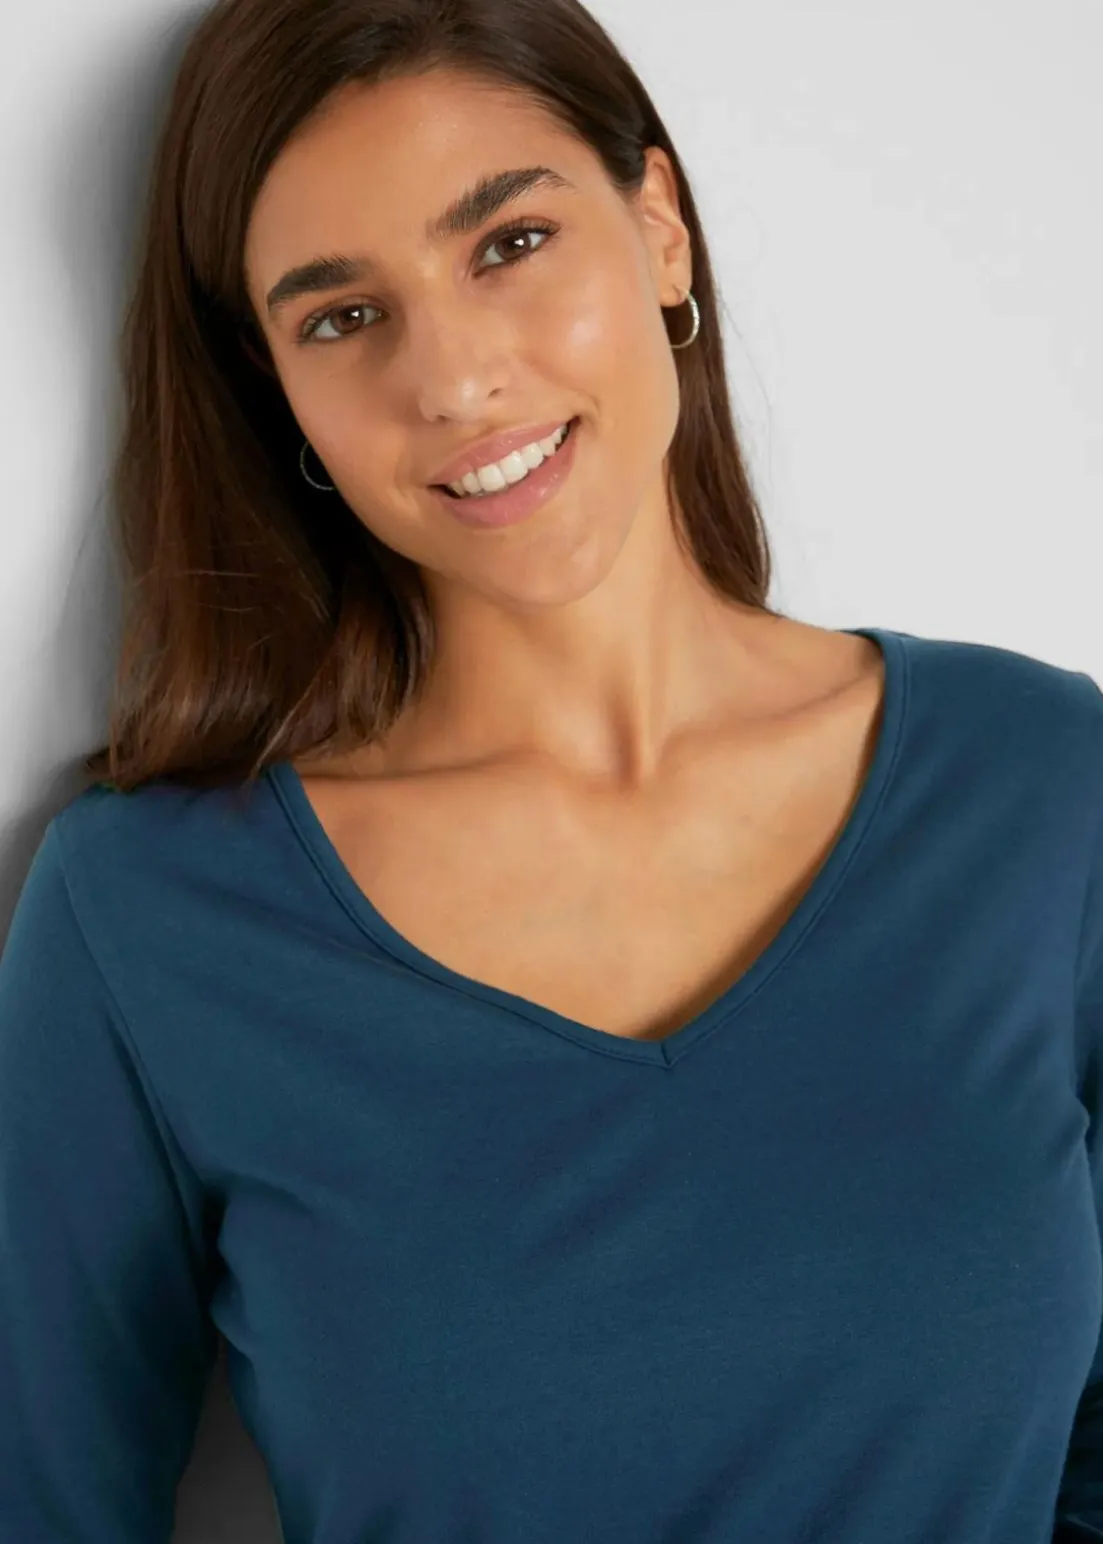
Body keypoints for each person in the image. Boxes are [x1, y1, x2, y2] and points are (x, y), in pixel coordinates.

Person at [1, 0, 1101, 1540]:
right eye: (341, 317)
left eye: (508, 243)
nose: (453, 382)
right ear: (275, 389)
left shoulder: (1039, 789)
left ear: (659, 230)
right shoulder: (151, 920)